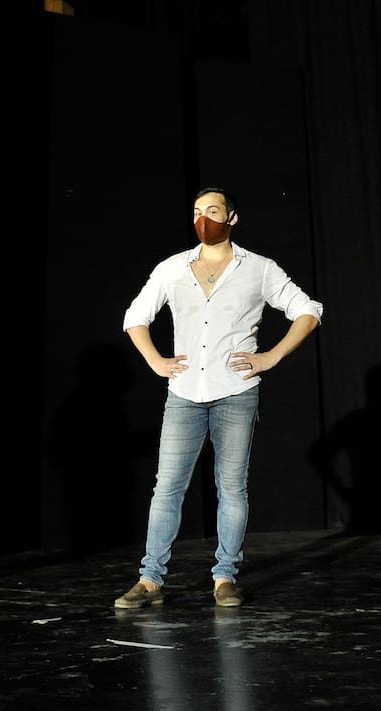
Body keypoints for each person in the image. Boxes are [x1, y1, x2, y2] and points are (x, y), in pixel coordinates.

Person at [114, 187, 323, 609]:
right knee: (167, 487)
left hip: (236, 392)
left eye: (212, 211)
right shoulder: (173, 269)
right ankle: (150, 580)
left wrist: (271, 356)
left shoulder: (258, 269)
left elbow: (308, 310)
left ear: (232, 218)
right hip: (185, 392)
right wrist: (156, 360)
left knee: (232, 487)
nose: (203, 219)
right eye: (196, 212)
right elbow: (135, 318)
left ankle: (225, 576)